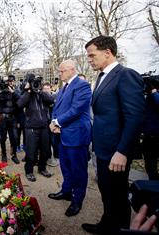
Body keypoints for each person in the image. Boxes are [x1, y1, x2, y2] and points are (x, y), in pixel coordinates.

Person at [82, 35, 145, 234]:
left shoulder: (126, 75)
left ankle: (120, 228)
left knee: (117, 196)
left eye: (92, 55)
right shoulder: (102, 77)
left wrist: (123, 151)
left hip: (116, 152)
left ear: (107, 52)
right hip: (102, 148)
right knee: (107, 192)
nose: (89, 60)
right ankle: (106, 223)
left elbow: (134, 117)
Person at [48, 60, 92, 217]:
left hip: (77, 135)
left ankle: (77, 199)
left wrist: (57, 122)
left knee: (78, 170)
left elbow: (76, 110)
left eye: (62, 71)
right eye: (59, 71)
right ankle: (66, 191)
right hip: (64, 134)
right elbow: (57, 108)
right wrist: (54, 121)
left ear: (72, 69)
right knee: (65, 166)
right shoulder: (63, 88)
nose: (59, 74)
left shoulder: (82, 85)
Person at [17, 73, 54, 182]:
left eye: (37, 83)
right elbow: (19, 104)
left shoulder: (41, 93)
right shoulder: (26, 93)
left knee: (45, 151)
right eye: (34, 82)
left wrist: (40, 90)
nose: (35, 85)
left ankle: (42, 168)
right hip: (31, 128)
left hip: (44, 127)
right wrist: (28, 91)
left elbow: (51, 99)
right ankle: (29, 171)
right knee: (31, 152)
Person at [142, 75, 159, 181]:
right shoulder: (150, 96)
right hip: (149, 138)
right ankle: (154, 189)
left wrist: (154, 91)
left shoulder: (156, 94)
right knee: (150, 167)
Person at [0, 75, 20, 164]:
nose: (11, 83)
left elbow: (20, 101)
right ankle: (4, 154)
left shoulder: (15, 91)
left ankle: (14, 154)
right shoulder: (0, 90)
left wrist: (13, 92)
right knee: (3, 138)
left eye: (12, 81)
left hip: (12, 117)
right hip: (2, 118)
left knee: (15, 138)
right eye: (9, 81)